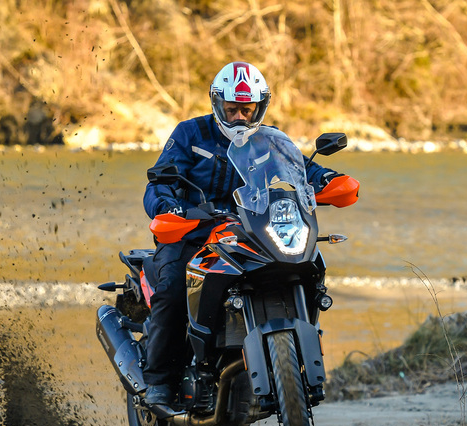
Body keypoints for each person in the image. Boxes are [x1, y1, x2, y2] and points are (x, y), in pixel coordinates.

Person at [141, 61, 344, 408]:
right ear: (217, 104)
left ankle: (288, 358)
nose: (238, 117)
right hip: (192, 232)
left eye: (246, 110)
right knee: (174, 287)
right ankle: (159, 381)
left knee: (302, 262)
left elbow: (301, 169)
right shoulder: (190, 134)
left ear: (259, 108)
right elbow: (159, 182)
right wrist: (169, 207)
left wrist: (327, 179)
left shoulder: (269, 140)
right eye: (231, 108)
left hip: (249, 229)